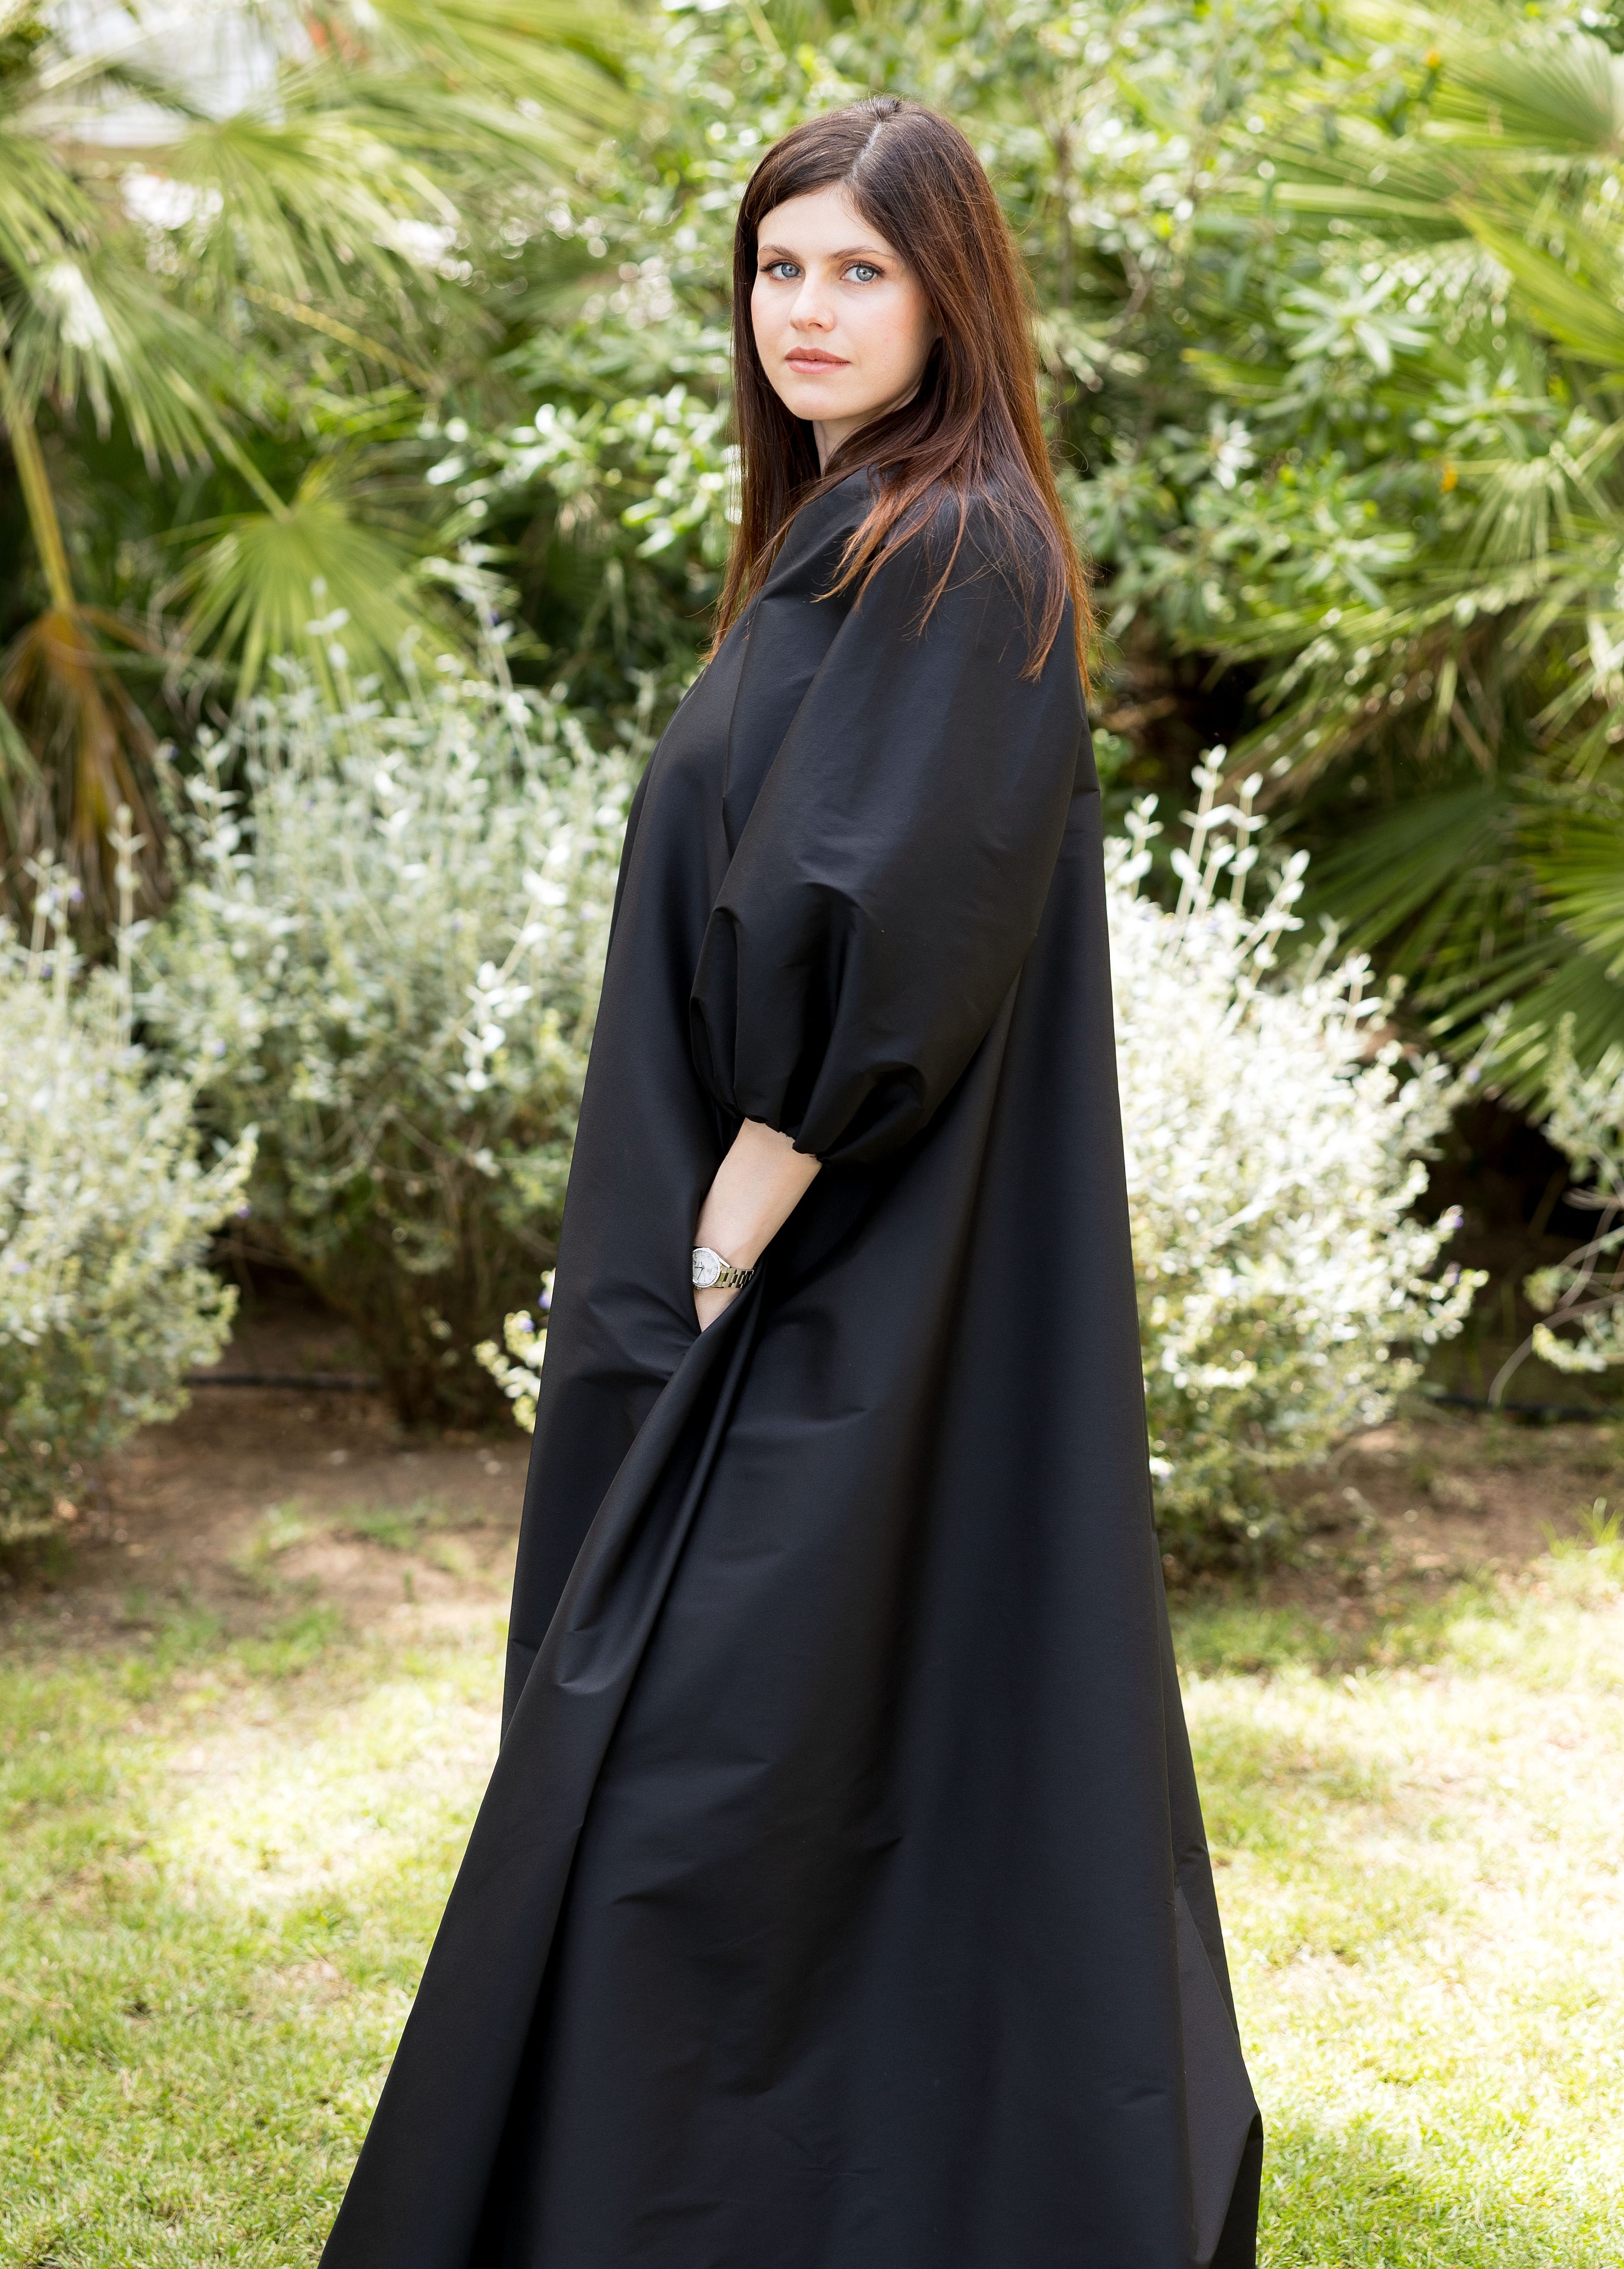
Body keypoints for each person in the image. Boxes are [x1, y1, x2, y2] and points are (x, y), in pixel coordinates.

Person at [319, 94, 1260, 2269]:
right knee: (766, 1780)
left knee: (681, 1783)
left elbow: (886, 911)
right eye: (777, 268)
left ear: (950, 296)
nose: (807, 309)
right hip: (791, 1279)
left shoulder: (956, 548)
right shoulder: (855, 537)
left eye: (859, 268)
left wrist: (733, 1224)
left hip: (821, 1289)